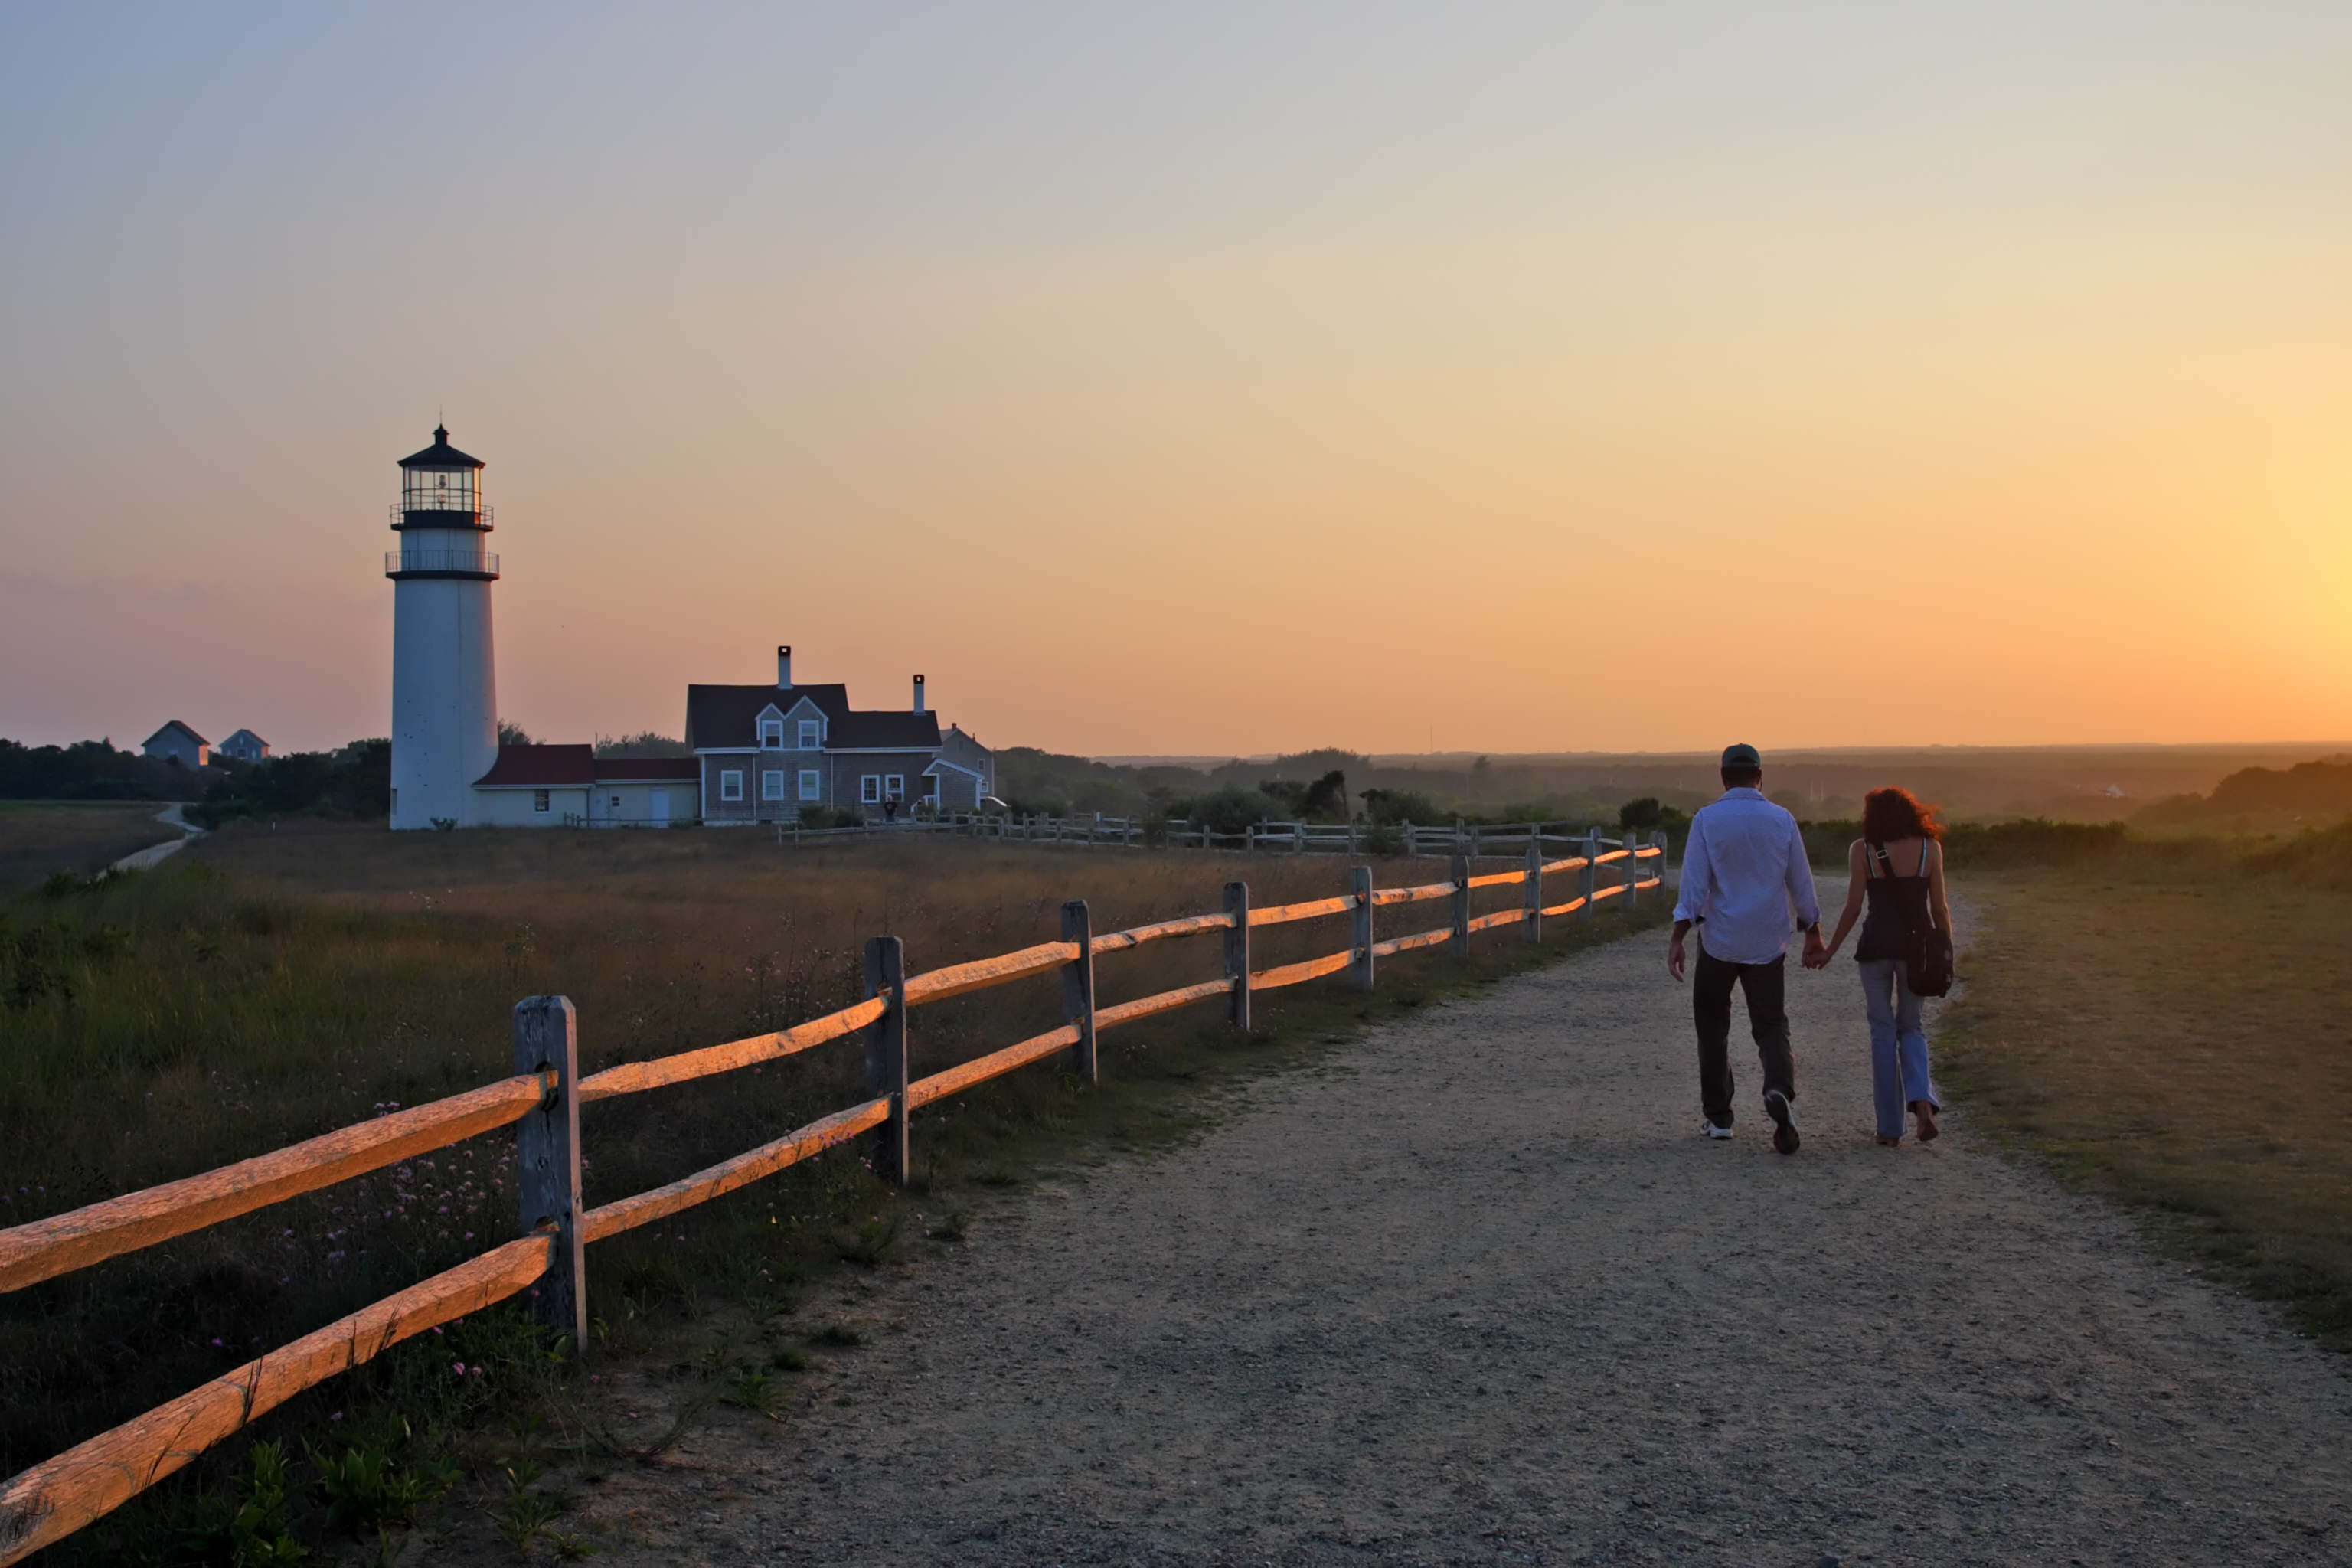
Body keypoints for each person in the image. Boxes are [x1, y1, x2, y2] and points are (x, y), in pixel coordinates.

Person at [1667, 744, 1824, 1154]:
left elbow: (1694, 885)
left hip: (1719, 940)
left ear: (1723, 777)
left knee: (1713, 1026)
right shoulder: (1782, 820)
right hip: (1767, 941)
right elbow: (1800, 882)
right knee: (1771, 1025)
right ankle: (1779, 1090)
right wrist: (1812, 930)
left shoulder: (1707, 820)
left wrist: (1678, 936)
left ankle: (1719, 1117)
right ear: (1760, 776)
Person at [1811, 786, 1952, 1145]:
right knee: (1912, 1026)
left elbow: (1853, 907)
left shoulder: (1862, 850)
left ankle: (1889, 1128)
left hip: (1875, 948)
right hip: (1915, 952)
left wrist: (1829, 949)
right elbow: (1939, 910)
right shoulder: (1929, 849)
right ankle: (1922, 1103)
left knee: (1882, 1032)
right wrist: (1944, 951)